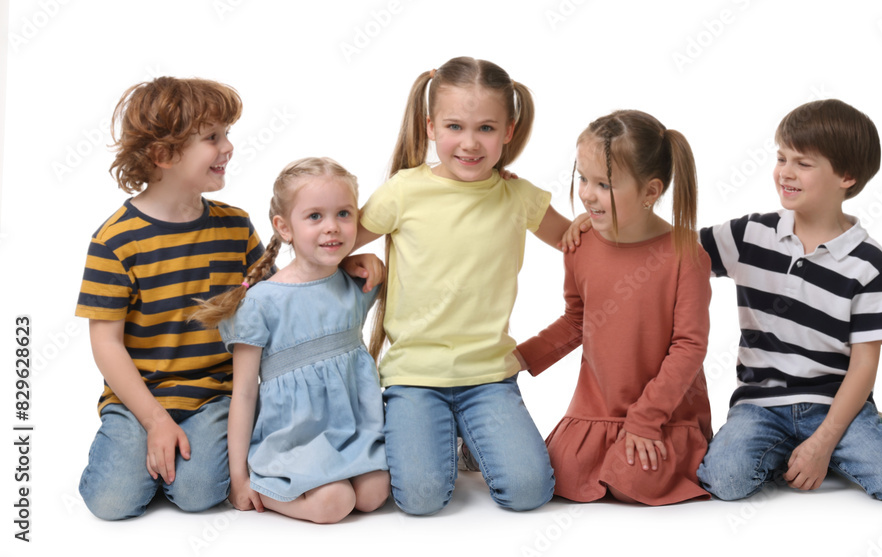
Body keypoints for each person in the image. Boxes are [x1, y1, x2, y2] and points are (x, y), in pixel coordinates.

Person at [75, 78, 378, 520]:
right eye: (212, 137)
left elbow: (281, 296)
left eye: (228, 134)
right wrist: (156, 421)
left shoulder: (235, 227)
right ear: (164, 155)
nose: (229, 147)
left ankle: (176, 465)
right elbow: (106, 344)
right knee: (111, 503)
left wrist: (345, 261)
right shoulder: (115, 241)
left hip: (215, 397)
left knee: (200, 495)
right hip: (138, 398)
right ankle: (147, 456)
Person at [693, 99, 882, 502]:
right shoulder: (748, 236)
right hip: (760, 405)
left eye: (803, 164)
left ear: (846, 176)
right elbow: (668, 253)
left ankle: (881, 428)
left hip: (835, 405)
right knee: (726, 481)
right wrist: (604, 220)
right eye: (781, 157)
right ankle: (788, 452)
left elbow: (863, 365)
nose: (785, 172)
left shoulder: (868, 263)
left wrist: (823, 443)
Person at [355, 56, 569, 515]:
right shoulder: (403, 190)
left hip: (489, 376)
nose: (470, 144)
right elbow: (331, 245)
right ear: (430, 126)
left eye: (486, 129)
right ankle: (437, 431)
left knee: (530, 492)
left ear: (508, 131)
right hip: (415, 376)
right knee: (421, 500)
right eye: (455, 126)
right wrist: (362, 257)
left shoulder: (518, 196)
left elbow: (574, 242)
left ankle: (470, 433)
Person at [515, 110, 713, 505]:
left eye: (603, 184)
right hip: (598, 408)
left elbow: (689, 346)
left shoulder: (685, 253)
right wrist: (521, 357)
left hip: (663, 413)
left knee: (632, 483)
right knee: (559, 478)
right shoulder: (580, 245)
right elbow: (577, 321)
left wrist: (646, 419)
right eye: (583, 179)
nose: (587, 194)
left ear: (650, 192)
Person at [192, 157, 390, 523]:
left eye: (344, 214)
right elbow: (245, 393)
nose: (332, 227)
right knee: (335, 503)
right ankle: (277, 493)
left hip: (352, 429)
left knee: (374, 494)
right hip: (296, 438)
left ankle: (338, 472)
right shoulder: (261, 301)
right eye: (315, 216)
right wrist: (239, 477)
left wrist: (367, 259)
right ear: (284, 227)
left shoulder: (356, 282)